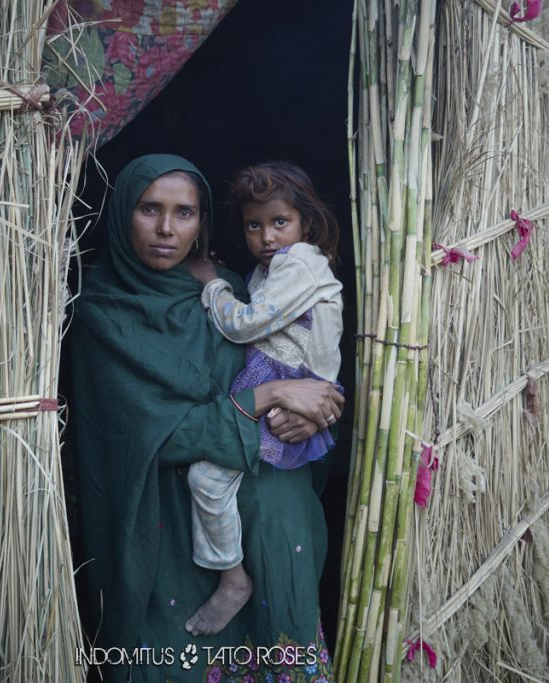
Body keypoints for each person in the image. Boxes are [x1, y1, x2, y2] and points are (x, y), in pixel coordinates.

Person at [70, 154, 342, 682]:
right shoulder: (101, 309)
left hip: (266, 521)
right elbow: (150, 437)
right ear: (123, 211)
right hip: (167, 535)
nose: (168, 229)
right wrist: (269, 395)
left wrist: (317, 411)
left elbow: (302, 367)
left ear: (203, 223)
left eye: (185, 213)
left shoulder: (230, 289)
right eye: (150, 209)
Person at [184, 161, 343, 638]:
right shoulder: (270, 269)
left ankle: (233, 580)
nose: (267, 236)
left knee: (207, 478)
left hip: (286, 382)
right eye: (254, 225)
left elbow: (246, 324)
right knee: (216, 481)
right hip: (281, 383)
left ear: (306, 224)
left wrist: (212, 285)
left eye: (280, 222)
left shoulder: (300, 264)